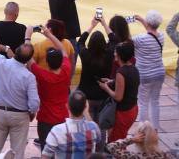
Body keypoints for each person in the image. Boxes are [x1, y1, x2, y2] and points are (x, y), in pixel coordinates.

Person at [0, 41, 39, 159]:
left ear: (15, 52)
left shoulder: (1, 63)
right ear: (28, 59)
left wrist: (6, 48)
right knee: (17, 153)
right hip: (20, 115)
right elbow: (34, 103)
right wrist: (31, 112)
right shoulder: (29, 77)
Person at [27, 26, 72, 149]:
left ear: (47, 62)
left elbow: (28, 59)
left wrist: (27, 36)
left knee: (46, 151)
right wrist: (49, 35)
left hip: (45, 120)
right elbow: (63, 49)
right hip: (63, 118)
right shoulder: (66, 71)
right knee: (61, 152)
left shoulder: (43, 75)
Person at [77, 19, 114, 150]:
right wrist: (104, 23)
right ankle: (100, 151)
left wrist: (92, 25)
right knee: (101, 127)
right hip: (103, 96)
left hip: (87, 96)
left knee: (85, 126)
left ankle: (86, 151)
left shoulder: (85, 54)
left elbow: (80, 41)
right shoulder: (109, 54)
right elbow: (113, 40)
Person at [130, 11, 165, 132]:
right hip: (159, 73)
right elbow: (151, 31)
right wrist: (141, 20)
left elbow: (127, 39)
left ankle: (143, 130)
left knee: (143, 103)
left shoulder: (140, 39)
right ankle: (155, 129)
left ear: (148, 22)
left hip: (145, 75)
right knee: (155, 101)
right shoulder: (161, 36)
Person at [41, 90, 102, 158]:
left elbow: (45, 155)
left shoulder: (57, 131)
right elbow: (98, 140)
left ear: (67, 106)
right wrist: (86, 112)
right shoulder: (94, 127)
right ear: (85, 107)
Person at [98, 42, 139, 142]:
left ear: (120, 55)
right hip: (133, 108)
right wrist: (112, 81)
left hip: (124, 112)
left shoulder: (121, 72)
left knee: (116, 142)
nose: (114, 53)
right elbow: (128, 84)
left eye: (116, 52)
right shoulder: (133, 68)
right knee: (121, 137)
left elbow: (118, 97)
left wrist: (105, 88)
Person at [107, 121, 172, 158]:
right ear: (155, 138)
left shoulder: (134, 157)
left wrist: (131, 139)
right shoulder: (165, 155)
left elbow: (110, 147)